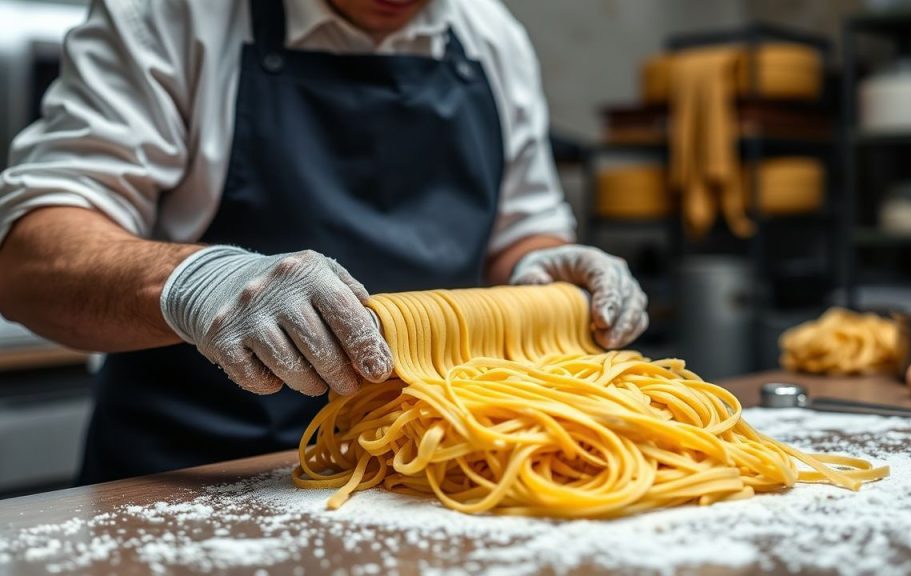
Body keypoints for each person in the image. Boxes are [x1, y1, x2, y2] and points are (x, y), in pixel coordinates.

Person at [0, 0, 648, 484]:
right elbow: (28, 259)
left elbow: (519, 229)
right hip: (191, 475)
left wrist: (540, 261)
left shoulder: (490, 36)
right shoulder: (169, 16)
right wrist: (198, 281)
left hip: (421, 473)